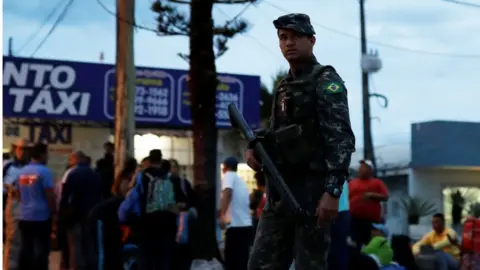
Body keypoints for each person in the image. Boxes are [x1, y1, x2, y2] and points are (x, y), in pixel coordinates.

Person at [245, 13, 356, 270]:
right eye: (283, 38)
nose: (288, 43)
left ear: (312, 40)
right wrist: (253, 147)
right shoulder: (285, 85)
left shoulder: (325, 80)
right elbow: (275, 133)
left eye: (295, 37)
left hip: (312, 195)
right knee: (260, 264)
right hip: (280, 193)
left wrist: (332, 192)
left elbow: (340, 138)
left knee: (310, 265)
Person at [118, 149, 188, 270]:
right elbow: (182, 201)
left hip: (146, 226)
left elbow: (131, 196)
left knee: (146, 260)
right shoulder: (170, 178)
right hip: (167, 226)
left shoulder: (142, 177)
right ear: (161, 160)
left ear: (149, 161)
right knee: (163, 260)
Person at [16, 143, 56, 270]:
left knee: (26, 248)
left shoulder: (22, 172)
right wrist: (53, 213)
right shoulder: (44, 171)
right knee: (41, 249)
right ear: (42, 155)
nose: (48, 157)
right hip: (41, 216)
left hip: (24, 215)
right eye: (47, 154)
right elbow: (50, 195)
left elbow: (18, 193)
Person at [59, 151, 102, 270]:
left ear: (76, 159)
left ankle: (78, 266)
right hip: (92, 213)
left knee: (75, 244)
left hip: (76, 215)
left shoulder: (72, 174)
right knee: (90, 243)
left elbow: (66, 196)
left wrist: (63, 214)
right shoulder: (95, 174)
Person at [219, 157, 253, 270]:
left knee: (231, 262)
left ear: (225, 167)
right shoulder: (240, 182)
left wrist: (222, 215)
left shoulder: (229, 176)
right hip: (245, 226)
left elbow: (227, 193)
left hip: (236, 227)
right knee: (242, 261)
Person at [349, 160, 389, 248]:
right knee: (354, 243)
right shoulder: (352, 183)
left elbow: (385, 197)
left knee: (369, 243)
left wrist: (372, 195)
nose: (360, 169)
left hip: (370, 221)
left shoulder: (377, 183)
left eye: (363, 167)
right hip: (354, 219)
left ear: (370, 170)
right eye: (360, 167)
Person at [3, 139, 30, 270]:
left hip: (29, 207)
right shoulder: (7, 165)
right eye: (20, 148)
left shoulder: (32, 167)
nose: (22, 152)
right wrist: (8, 188)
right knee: (13, 240)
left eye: (25, 149)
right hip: (13, 204)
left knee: (26, 242)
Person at [329, 180, 351, 270]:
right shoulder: (341, 172)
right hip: (343, 210)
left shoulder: (333, 172)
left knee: (334, 251)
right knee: (340, 249)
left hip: (335, 211)